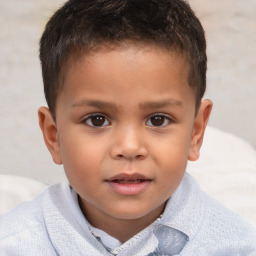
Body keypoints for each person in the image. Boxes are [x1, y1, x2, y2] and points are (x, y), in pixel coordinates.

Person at [1, 0, 256, 255]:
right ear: (53, 136)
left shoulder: (236, 246)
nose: (129, 147)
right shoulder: (15, 244)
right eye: (97, 120)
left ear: (196, 132)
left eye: (158, 119)